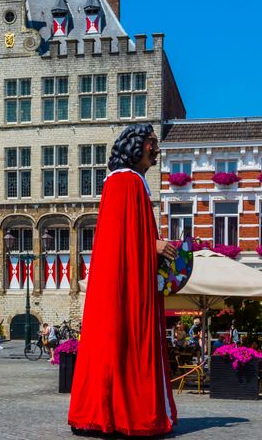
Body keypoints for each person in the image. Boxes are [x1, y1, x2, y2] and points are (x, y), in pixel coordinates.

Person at [69, 124, 178, 436]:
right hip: (125, 284)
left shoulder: (132, 182)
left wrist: (151, 248)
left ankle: (109, 412)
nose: (155, 150)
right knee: (123, 342)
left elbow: (127, 238)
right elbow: (121, 242)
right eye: (151, 144)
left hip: (128, 278)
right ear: (136, 146)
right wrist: (153, 245)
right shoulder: (126, 182)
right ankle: (125, 413)